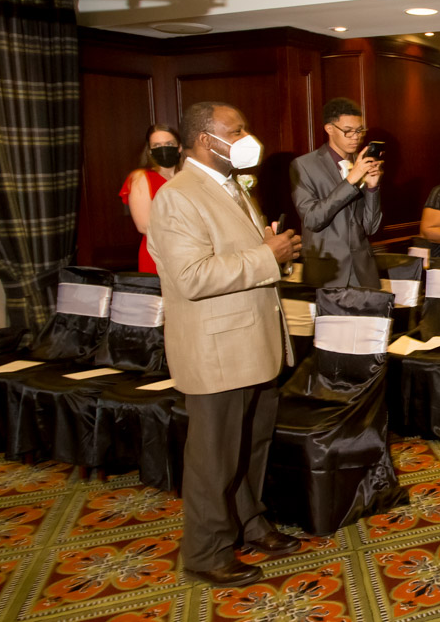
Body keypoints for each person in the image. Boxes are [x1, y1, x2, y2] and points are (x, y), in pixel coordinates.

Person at [147, 101, 303, 587]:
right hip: (216, 351)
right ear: (203, 140)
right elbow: (191, 277)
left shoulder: (233, 185)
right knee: (213, 457)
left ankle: (249, 522)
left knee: (251, 447)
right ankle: (206, 550)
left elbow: (239, 257)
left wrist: (274, 253)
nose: (245, 137)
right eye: (234, 131)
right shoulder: (177, 196)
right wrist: (265, 256)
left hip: (255, 343)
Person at [290, 97, 383, 288]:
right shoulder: (304, 165)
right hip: (326, 273)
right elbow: (312, 219)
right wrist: (351, 181)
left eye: (359, 131)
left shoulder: (362, 163)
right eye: (348, 131)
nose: (356, 137)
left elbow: (371, 228)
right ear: (329, 129)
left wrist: (373, 188)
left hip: (363, 273)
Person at [119, 124, 181, 274]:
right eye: (157, 145)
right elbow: (144, 226)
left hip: (192, 251)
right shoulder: (141, 177)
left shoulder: (188, 175)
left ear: (179, 147)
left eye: (168, 144)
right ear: (150, 151)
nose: (163, 148)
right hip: (159, 252)